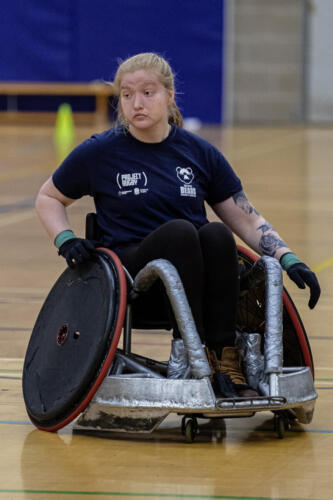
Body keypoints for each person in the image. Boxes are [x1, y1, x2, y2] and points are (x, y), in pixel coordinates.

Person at [35, 52, 320, 398]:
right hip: (133, 281)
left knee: (216, 233)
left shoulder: (199, 153)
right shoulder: (100, 152)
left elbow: (245, 216)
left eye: (147, 93)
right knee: (182, 232)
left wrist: (288, 258)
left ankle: (224, 363)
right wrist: (65, 239)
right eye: (126, 95)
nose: (136, 103)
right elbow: (48, 197)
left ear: (170, 96)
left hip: (198, 282)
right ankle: (190, 356)